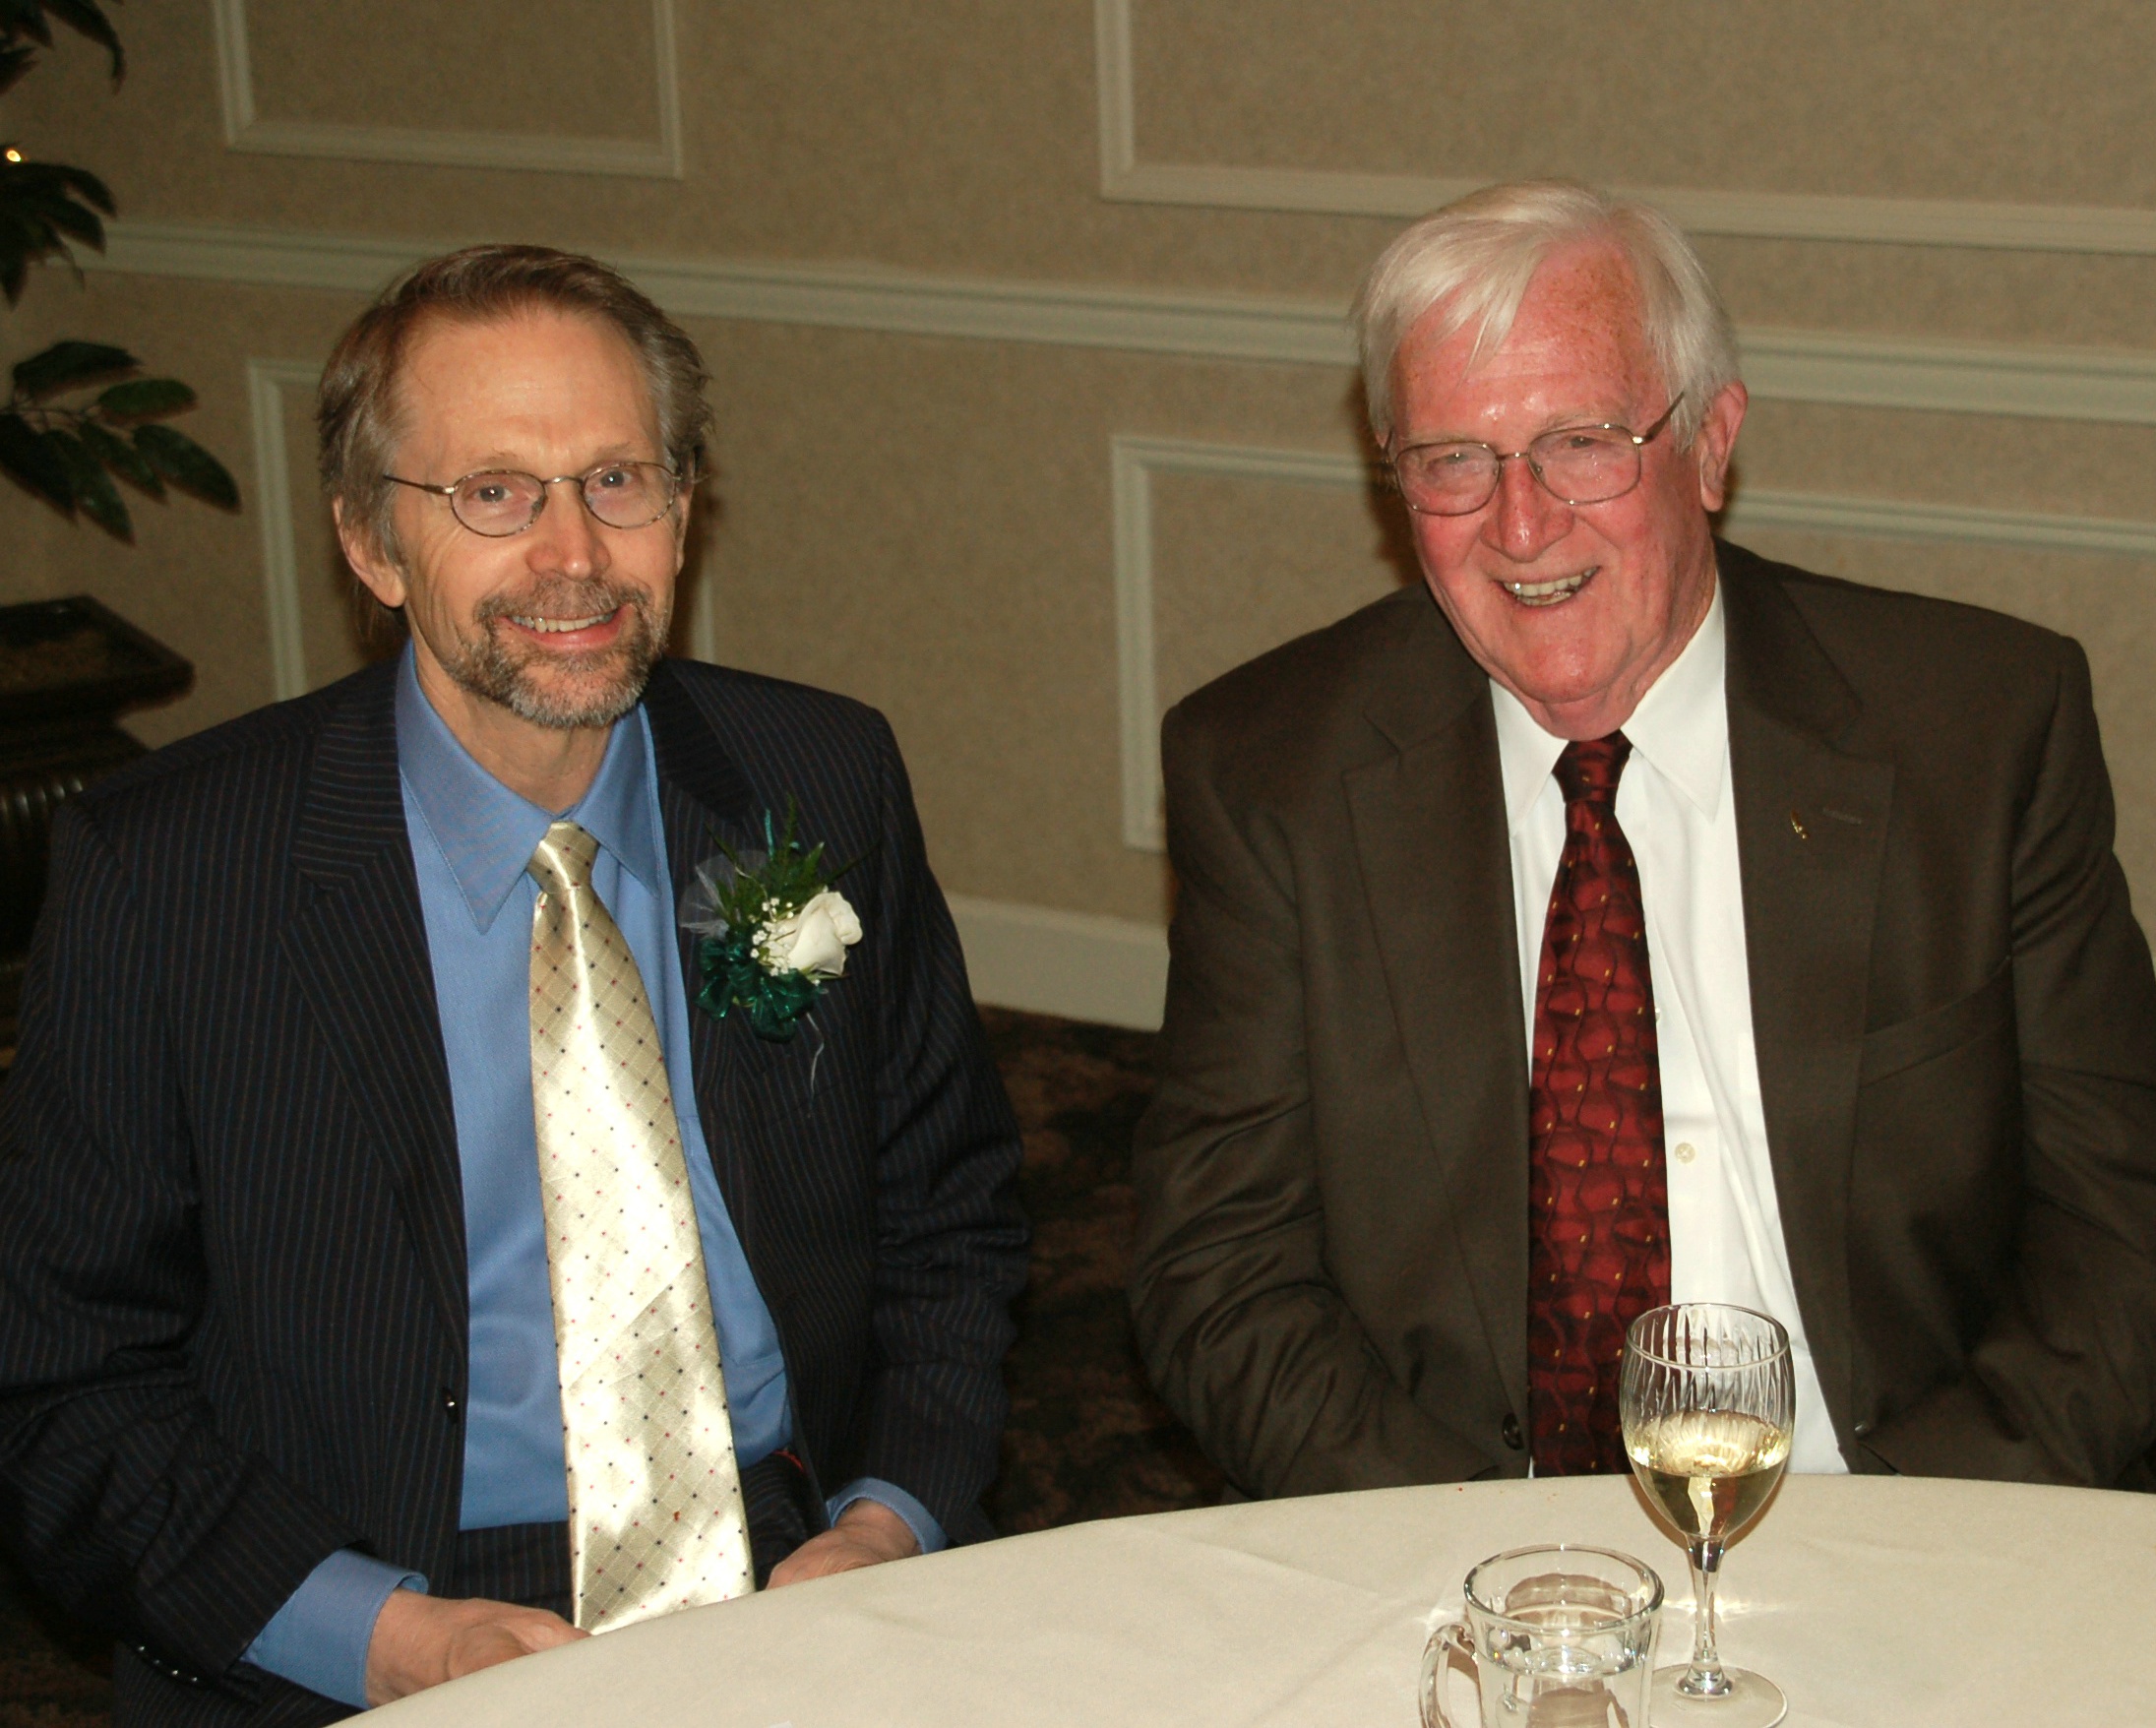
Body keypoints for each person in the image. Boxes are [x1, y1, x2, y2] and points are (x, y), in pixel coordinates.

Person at [0, 245, 1027, 1725]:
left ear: (684, 508)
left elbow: (952, 1219)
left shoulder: (821, 775)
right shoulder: (172, 875)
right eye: (493, 493)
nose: (573, 555)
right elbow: (62, 1384)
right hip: (365, 1586)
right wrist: (384, 1641)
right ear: (372, 545)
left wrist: (888, 1520)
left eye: (617, 480)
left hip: (796, 1543)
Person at [1130, 180, 2156, 1501]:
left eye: (1581, 443)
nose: (1520, 524)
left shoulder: (1977, 735)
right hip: (1460, 1539)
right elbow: (1221, 1277)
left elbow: (2120, 1230)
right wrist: (1490, 1567)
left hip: (1903, 1507)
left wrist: (1906, 1545)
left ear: (1711, 444)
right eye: (1453, 460)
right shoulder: (1272, 774)